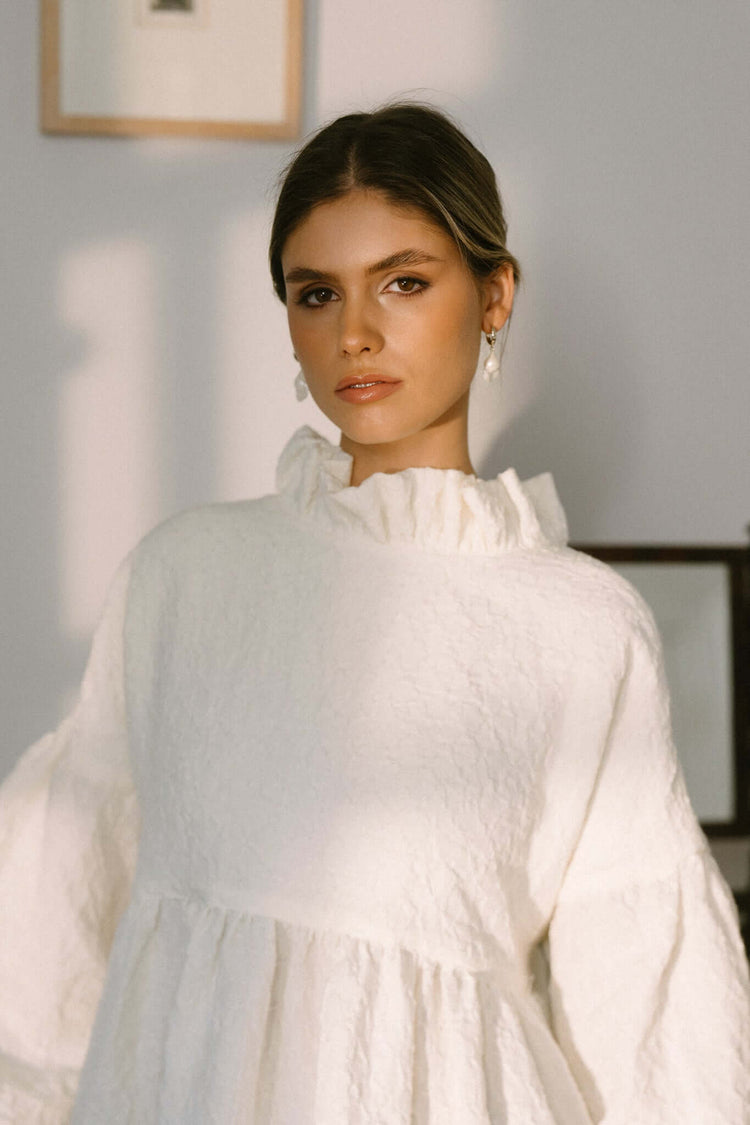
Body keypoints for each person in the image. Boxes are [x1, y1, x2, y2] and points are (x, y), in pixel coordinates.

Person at [1, 102, 748, 1125]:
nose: (355, 333)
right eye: (316, 294)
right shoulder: (184, 576)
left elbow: (648, 996)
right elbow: (52, 927)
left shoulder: (583, 626)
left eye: (404, 281)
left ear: (494, 296)